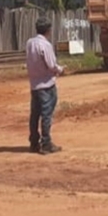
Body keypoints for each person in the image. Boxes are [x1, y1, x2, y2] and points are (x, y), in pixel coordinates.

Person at [26, 16, 65, 154]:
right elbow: (51, 65)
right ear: (48, 30)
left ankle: (34, 142)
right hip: (46, 85)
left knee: (35, 115)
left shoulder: (30, 43)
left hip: (34, 85)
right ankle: (46, 143)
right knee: (46, 115)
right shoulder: (45, 45)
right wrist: (60, 70)